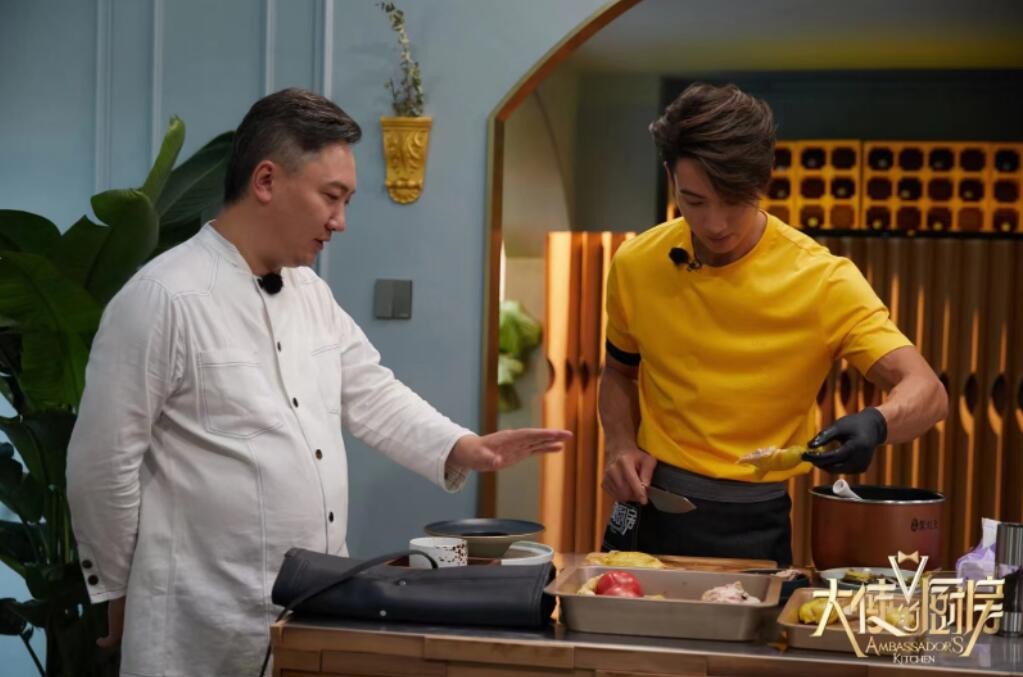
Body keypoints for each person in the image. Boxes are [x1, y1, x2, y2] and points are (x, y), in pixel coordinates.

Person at [66, 87, 571, 676]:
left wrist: (464, 446)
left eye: (346, 201)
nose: (340, 221)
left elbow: (371, 391)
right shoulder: (162, 298)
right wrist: (118, 589)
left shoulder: (312, 294)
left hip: (314, 610)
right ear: (266, 181)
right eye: (331, 197)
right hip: (198, 620)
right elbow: (102, 462)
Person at [598, 82, 948, 565]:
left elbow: (928, 391)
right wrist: (619, 445)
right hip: (646, 505)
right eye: (694, 201)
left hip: (753, 522)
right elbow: (618, 372)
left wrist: (877, 423)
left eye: (733, 200)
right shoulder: (636, 262)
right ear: (669, 176)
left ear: (763, 181)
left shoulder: (822, 279)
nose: (715, 224)